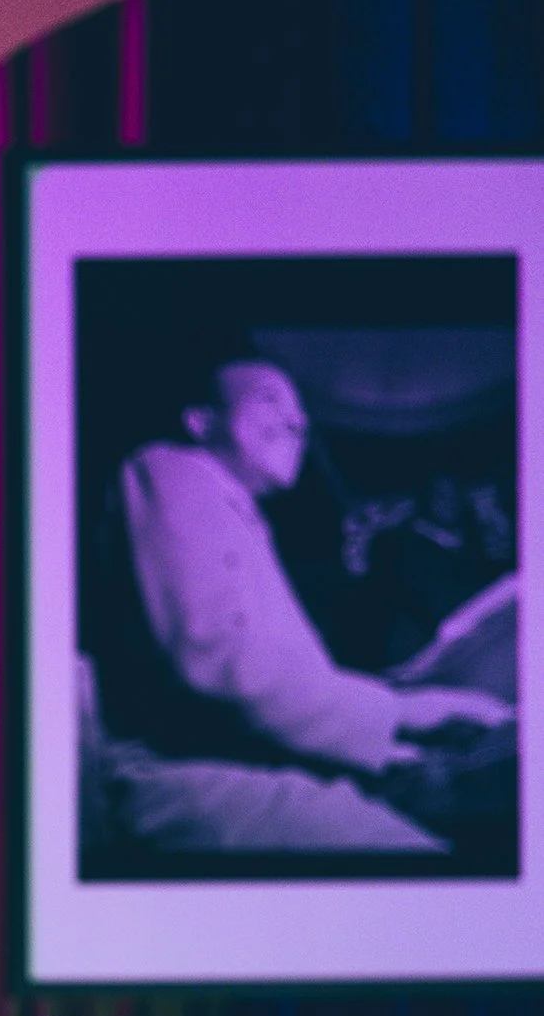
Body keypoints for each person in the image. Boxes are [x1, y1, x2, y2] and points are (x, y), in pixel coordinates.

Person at [86, 358, 511, 852]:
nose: (297, 421)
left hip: (251, 765)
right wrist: (400, 716)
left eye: (300, 411)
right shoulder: (174, 470)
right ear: (201, 421)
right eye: (269, 399)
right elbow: (224, 663)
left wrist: (408, 724)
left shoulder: (234, 507)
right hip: (187, 779)